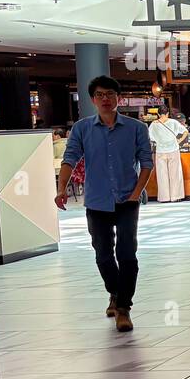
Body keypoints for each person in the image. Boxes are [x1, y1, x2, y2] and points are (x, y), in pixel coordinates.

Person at [56, 75, 153, 333]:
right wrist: (61, 189)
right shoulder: (82, 129)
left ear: (117, 98)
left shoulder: (136, 128)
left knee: (127, 254)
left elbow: (146, 163)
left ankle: (123, 309)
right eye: (100, 95)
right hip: (97, 201)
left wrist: (136, 193)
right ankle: (115, 293)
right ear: (92, 99)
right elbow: (70, 159)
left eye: (109, 94)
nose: (105, 99)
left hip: (127, 200)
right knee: (102, 255)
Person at [149, 108, 189, 203]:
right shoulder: (173, 122)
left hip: (160, 151)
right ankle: (175, 196)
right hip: (173, 149)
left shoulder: (154, 124)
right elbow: (185, 131)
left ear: (158, 114)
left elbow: (150, 137)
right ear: (167, 113)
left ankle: (164, 198)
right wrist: (179, 141)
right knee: (175, 174)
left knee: (162, 175)